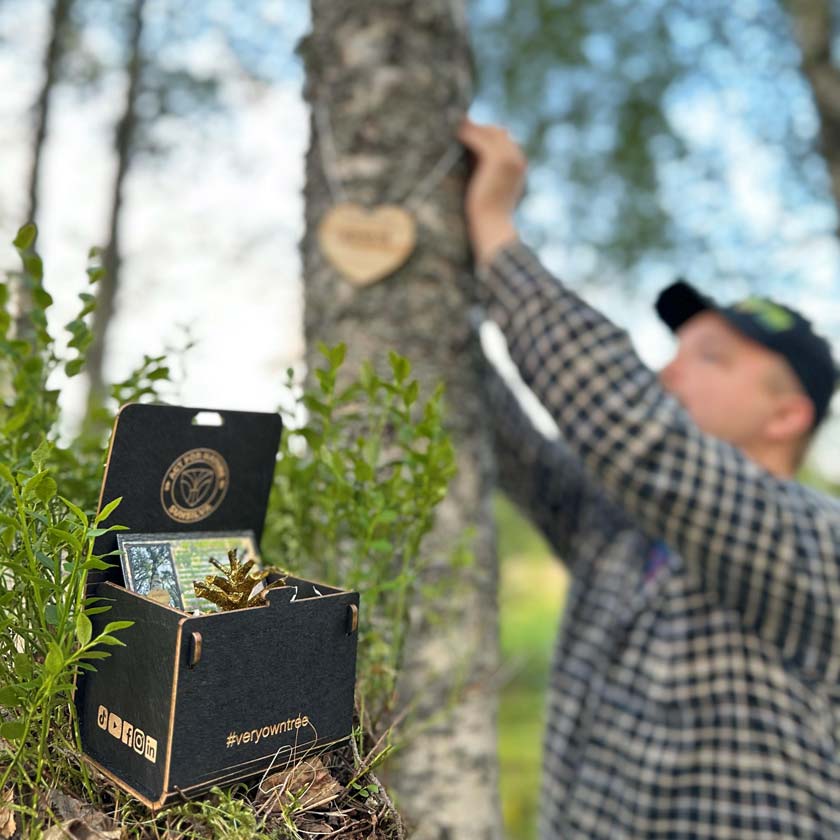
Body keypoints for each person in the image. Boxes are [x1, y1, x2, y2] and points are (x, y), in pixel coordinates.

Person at [458, 118, 840, 838]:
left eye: (711, 358)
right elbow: (518, 445)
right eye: (676, 351)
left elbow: (627, 427)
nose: (669, 370)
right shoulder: (620, 526)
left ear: (787, 416)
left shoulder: (817, 541)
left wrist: (494, 228)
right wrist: (440, 286)